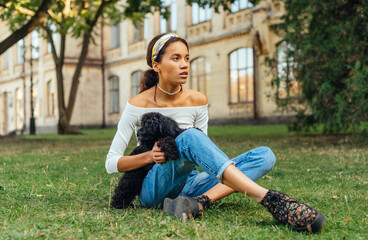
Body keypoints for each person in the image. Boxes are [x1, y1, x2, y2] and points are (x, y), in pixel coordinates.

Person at [106, 33, 325, 233]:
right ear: (157, 65)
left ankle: (199, 202)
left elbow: (199, 151)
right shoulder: (137, 104)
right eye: (175, 58)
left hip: (190, 182)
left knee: (265, 155)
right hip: (154, 185)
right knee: (190, 136)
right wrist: (149, 156)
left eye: (187, 58)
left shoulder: (198, 100)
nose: (184, 65)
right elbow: (111, 162)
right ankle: (269, 199)